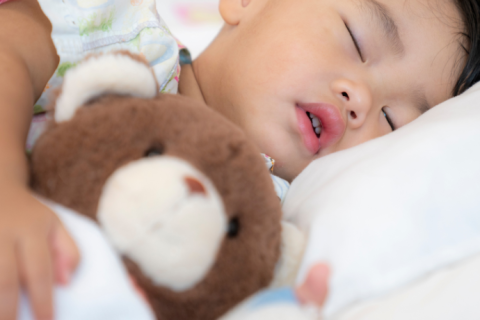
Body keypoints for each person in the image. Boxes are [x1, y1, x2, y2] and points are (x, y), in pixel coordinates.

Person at [0, 0, 477, 319]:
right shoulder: (126, 39)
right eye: (355, 38)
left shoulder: (274, 226)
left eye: (394, 120)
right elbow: (11, 46)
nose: (362, 99)